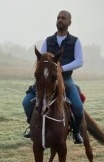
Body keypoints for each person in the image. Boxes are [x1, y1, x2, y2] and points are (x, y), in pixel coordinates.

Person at [22, 10, 84, 144]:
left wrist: (62, 68)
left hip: (66, 79)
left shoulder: (75, 41)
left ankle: (75, 131)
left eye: (63, 18)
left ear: (69, 22)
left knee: (78, 107)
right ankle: (32, 128)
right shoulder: (48, 40)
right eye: (58, 18)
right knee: (26, 102)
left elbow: (80, 61)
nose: (60, 20)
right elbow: (41, 59)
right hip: (45, 80)